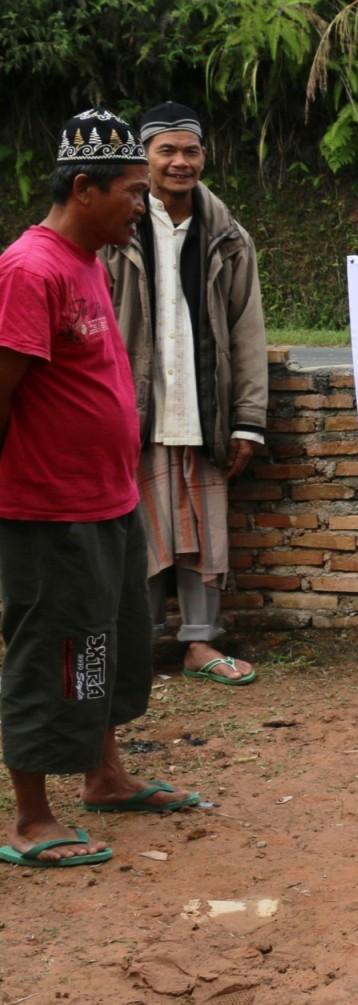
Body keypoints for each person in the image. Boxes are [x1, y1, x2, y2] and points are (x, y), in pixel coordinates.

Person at [0, 109, 203, 870]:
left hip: (108, 499)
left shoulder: (89, 258)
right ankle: (28, 816)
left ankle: (105, 773)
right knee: (47, 651)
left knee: (104, 643)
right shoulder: (30, 269)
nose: (140, 205)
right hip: (49, 510)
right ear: (84, 189)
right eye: (129, 191)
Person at [103, 102, 268, 686]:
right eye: (165, 151)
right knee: (136, 529)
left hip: (203, 408)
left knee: (202, 530)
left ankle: (201, 645)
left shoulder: (227, 235)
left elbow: (247, 329)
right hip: (133, 408)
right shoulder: (114, 230)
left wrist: (248, 419)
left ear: (204, 156)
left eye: (190, 150)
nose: (179, 162)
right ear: (143, 159)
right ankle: (136, 646)